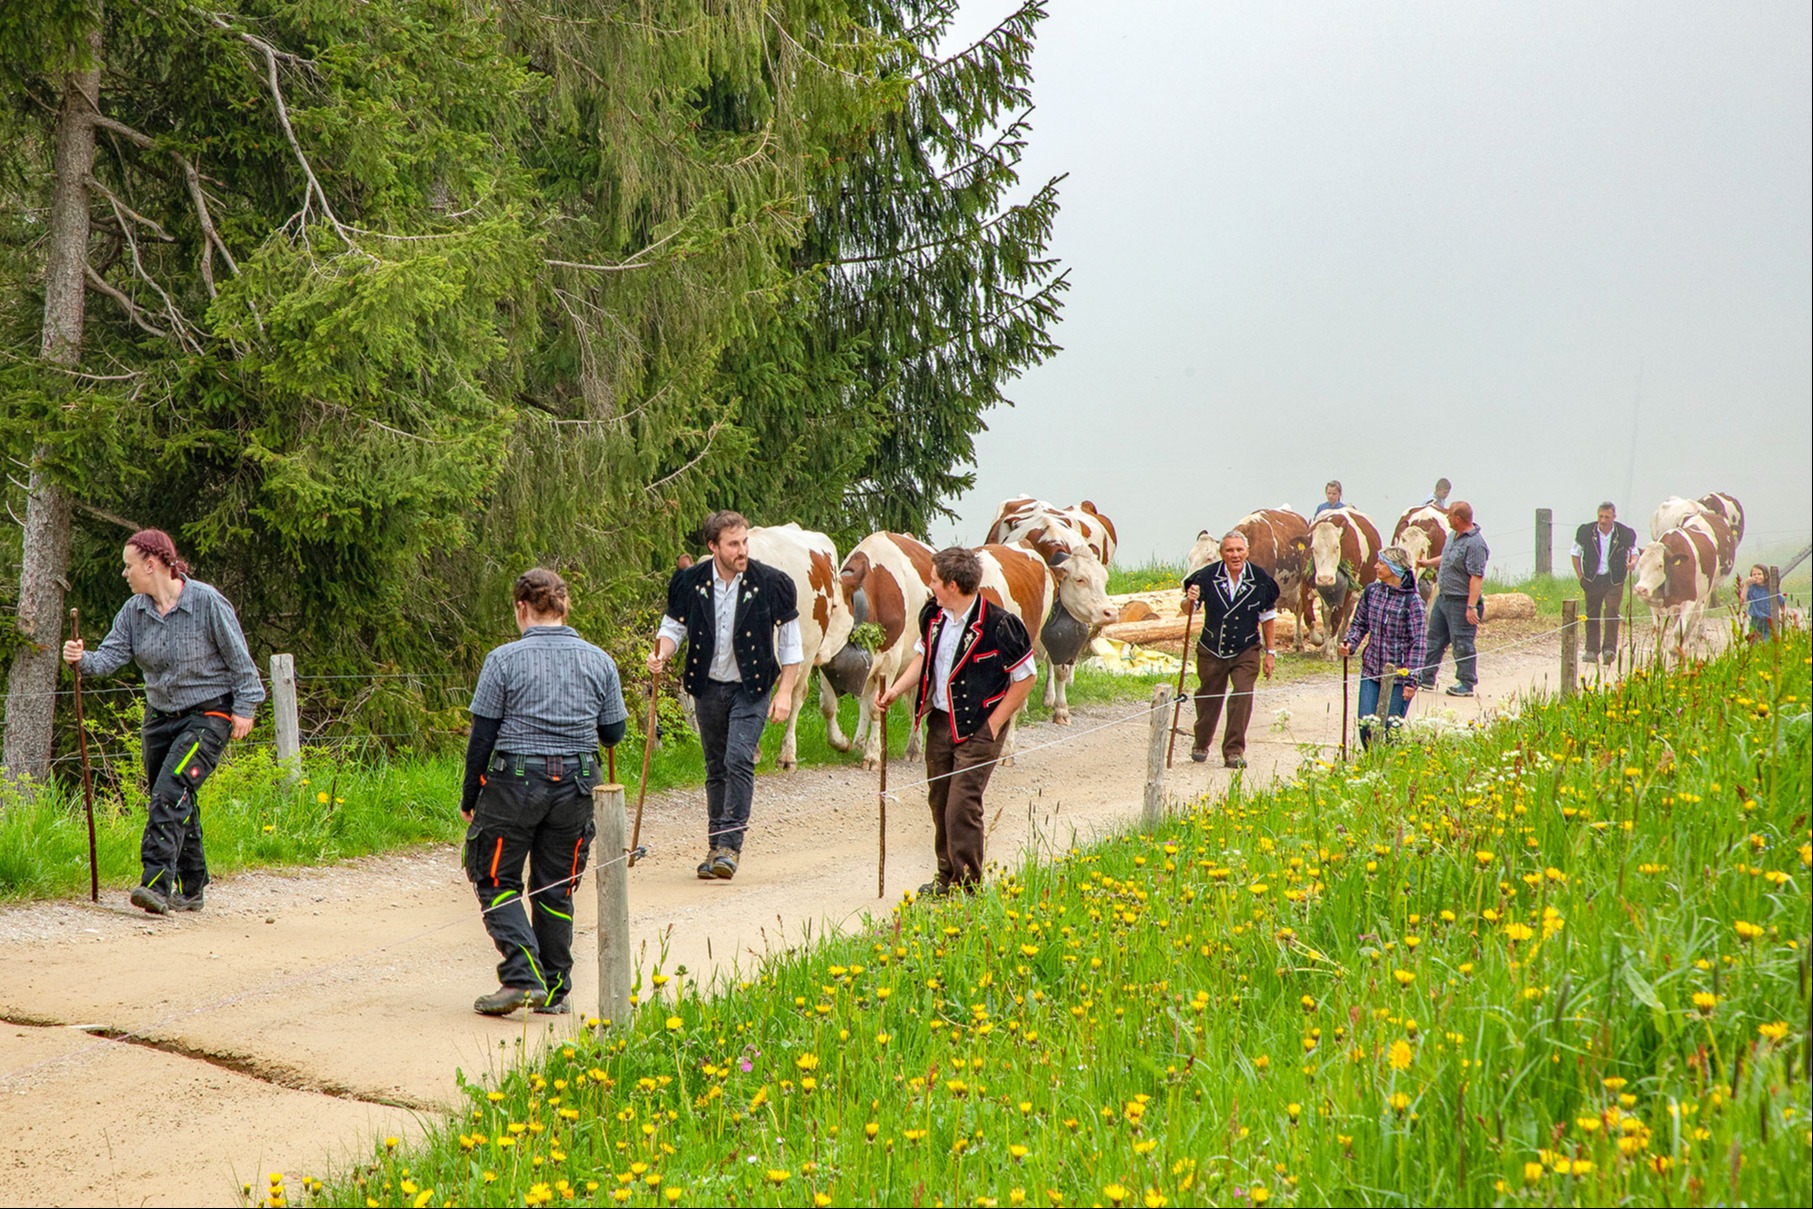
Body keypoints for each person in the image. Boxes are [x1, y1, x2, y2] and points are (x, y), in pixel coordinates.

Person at [61, 529, 263, 915]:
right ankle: (193, 887)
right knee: (175, 797)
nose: (125, 574)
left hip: (210, 714)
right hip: (159, 719)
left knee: (170, 792)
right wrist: (80, 658)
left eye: (129, 565)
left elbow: (241, 661)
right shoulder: (134, 612)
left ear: (151, 564)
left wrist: (246, 707)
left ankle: (155, 884)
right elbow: (107, 659)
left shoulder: (206, 602)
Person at [463, 569, 627, 1016]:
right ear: (563, 607)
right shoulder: (600, 661)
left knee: (495, 878)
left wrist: (469, 797)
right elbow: (613, 731)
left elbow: (482, 736)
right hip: (577, 787)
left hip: (513, 785)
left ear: (522, 608)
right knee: (556, 888)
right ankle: (554, 991)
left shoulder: (502, 660)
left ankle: (521, 976)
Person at [648, 510, 801, 881]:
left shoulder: (771, 583)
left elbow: (792, 644)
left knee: (738, 759)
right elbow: (673, 627)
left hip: (752, 687)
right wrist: (661, 654)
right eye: (733, 544)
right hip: (708, 686)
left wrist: (785, 692)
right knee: (715, 767)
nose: (742, 550)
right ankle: (715, 846)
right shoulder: (690, 582)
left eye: (744, 541)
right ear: (713, 546)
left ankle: (730, 846)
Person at [875, 546, 1036, 895]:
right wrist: (896, 689)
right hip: (941, 722)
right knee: (940, 799)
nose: (928, 584)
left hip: (980, 725)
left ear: (951, 584)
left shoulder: (1001, 624)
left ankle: (967, 886)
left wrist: (994, 725)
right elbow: (924, 656)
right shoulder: (934, 614)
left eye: (933, 579)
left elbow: (1026, 677)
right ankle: (946, 876)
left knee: (962, 803)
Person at [1181, 531, 1279, 768]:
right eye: (1229, 550)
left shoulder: (1260, 579)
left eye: (1239, 550)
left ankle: (1233, 751)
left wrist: (1270, 653)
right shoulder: (1205, 577)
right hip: (1212, 648)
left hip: (1247, 647)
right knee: (1208, 697)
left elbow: (1268, 617)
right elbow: (1188, 610)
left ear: (1247, 552)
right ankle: (1201, 741)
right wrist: (1189, 599)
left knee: (1243, 694)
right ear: (1221, 553)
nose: (1235, 555)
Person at [1336, 546, 1425, 748]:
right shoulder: (1372, 592)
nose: (1375, 566)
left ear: (1394, 568)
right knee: (1366, 725)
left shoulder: (1413, 602)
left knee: (1389, 729)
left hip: (1399, 677)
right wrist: (1350, 644)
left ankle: (1390, 767)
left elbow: (1418, 643)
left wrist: (1412, 680)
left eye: (1381, 563)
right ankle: (1370, 764)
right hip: (1371, 670)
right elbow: (1360, 623)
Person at [1416, 501, 1489, 697]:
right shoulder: (1452, 536)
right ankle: (1426, 678)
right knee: (1434, 639)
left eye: (1449, 516)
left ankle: (1466, 683)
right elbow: (1446, 557)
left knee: (1462, 642)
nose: (1447, 519)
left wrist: (1471, 606)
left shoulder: (1475, 544)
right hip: (1443, 598)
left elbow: (1476, 577)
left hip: (1462, 601)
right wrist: (1427, 563)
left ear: (1458, 519)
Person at [1571, 502, 1638, 663]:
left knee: (1612, 610)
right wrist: (1581, 577)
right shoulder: (1586, 531)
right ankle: (1591, 650)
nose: (1603, 520)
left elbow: (1633, 551)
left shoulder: (1624, 533)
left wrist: (1633, 562)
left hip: (1614, 579)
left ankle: (1609, 649)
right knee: (1592, 613)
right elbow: (1575, 553)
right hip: (1592, 579)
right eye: (1600, 516)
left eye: (1607, 517)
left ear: (1613, 517)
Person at [1742, 565, 1777, 642]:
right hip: (1755, 621)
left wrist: (1783, 615)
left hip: (1769, 621)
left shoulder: (1772, 588)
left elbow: (1781, 602)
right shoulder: (1751, 588)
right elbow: (1742, 601)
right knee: (1754, 644)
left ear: (1766, 575)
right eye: (1754, 574)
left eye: (1759, 574)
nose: (1756, 576)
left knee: (1767, 643)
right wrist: (1746, 585)